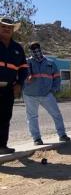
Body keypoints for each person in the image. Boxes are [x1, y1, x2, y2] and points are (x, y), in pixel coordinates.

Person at [23, 42, 70, 145]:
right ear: (30, 51)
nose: (36, 51)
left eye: (37, 49)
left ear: (40, 49)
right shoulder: (26, 63)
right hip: (30, 95)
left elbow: (57, 77)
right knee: (32, 117)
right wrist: (27, 79)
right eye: (33, 49)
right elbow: (20, 77)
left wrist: (54, 89)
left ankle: (62, 135)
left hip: (47, 94)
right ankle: (37, 139)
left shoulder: (50, 62)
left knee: (56, 114)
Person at [0, 17, 28, 155]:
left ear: (13, 30)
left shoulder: (17, 48)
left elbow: (23, 68)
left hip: (8, 89)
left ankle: (2, 146)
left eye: (9, 27)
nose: (6, 29)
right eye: (3, 26)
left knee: (5, 117)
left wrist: (19, 83)